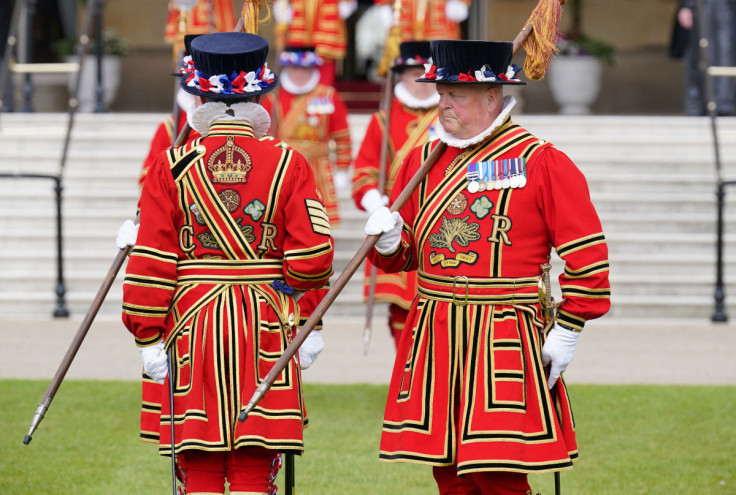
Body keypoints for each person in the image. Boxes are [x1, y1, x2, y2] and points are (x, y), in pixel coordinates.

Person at [364, 40, 611, 494]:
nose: (443, 105)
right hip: (436, 327)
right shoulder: (421, 161)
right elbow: (407, 256)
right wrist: (392, 240)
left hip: (504, 331)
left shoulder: (543, 161)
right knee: (447, 470)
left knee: (497, 471)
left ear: (492, 98)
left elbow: (587, 255)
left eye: (455, 95)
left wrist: (569, 326)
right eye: (441, 94)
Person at [120, 32, 334, 495]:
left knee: (197, 460)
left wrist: (146, 332)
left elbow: (152, 260)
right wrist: (309, 319)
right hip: (264, 322)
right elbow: (313, 258)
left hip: (191, 323)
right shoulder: (289, 162)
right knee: (255, 460)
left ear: (199, 93)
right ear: (260, 94)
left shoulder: (170, 166)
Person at [352, 40, 439, 349]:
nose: (420, 82)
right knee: (401, 307)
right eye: (413, 74)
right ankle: (406, 374)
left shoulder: (451, 116)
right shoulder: (383, 120)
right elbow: (363, 173)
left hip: (441, 214)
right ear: (401, 77)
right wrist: (378, 205)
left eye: (425, 74)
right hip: (400, 218)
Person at [261, 45, 352, 228]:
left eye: (305, 69)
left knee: (318, 225)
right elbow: (262, 137)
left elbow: (342, 137)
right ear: (288, 69)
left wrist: (342, 168)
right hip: (284, 167)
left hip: (318, 168)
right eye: (296, 69)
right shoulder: (273, 97)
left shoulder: (328, 96)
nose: (300, 74)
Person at [273, 0, 358, 86]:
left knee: (324, 82)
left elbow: (346, 8)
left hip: (325, 43)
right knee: (296, 78)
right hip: (298, 40)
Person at [677, 0, 735, 116]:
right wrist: (685, 5)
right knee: (699, 53)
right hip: (701, 5)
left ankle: (723, 105)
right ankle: (697, 104)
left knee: (726, 52)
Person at [375, 0, 471, 41]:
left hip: (439, 13)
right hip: (405, 12)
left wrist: (460, 1)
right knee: (406, 59)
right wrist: (384, 4)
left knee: (442, 55)